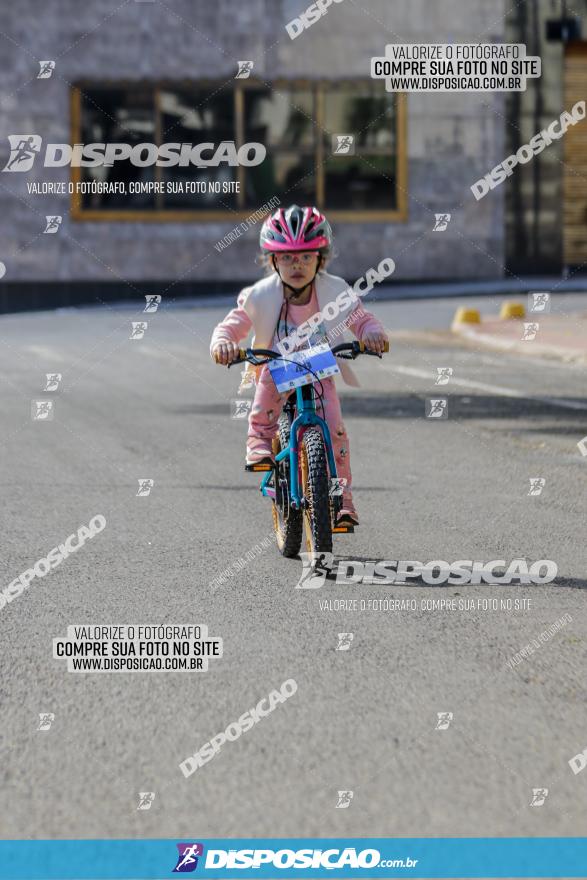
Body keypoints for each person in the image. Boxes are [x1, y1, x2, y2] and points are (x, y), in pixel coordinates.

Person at [210, 204, 388, 526]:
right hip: (279, 365)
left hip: (319, 366)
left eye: (306, 256)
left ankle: (342, 500)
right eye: (288, 257)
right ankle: (260, 441)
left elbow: (361, 320)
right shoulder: (261, 295)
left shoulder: (334, 291)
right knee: (267, 385)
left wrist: (372, 334)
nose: (298, 265)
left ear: (322, 259)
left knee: (334, 429)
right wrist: (223, 343)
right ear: (272, 260)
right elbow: (232, 326)